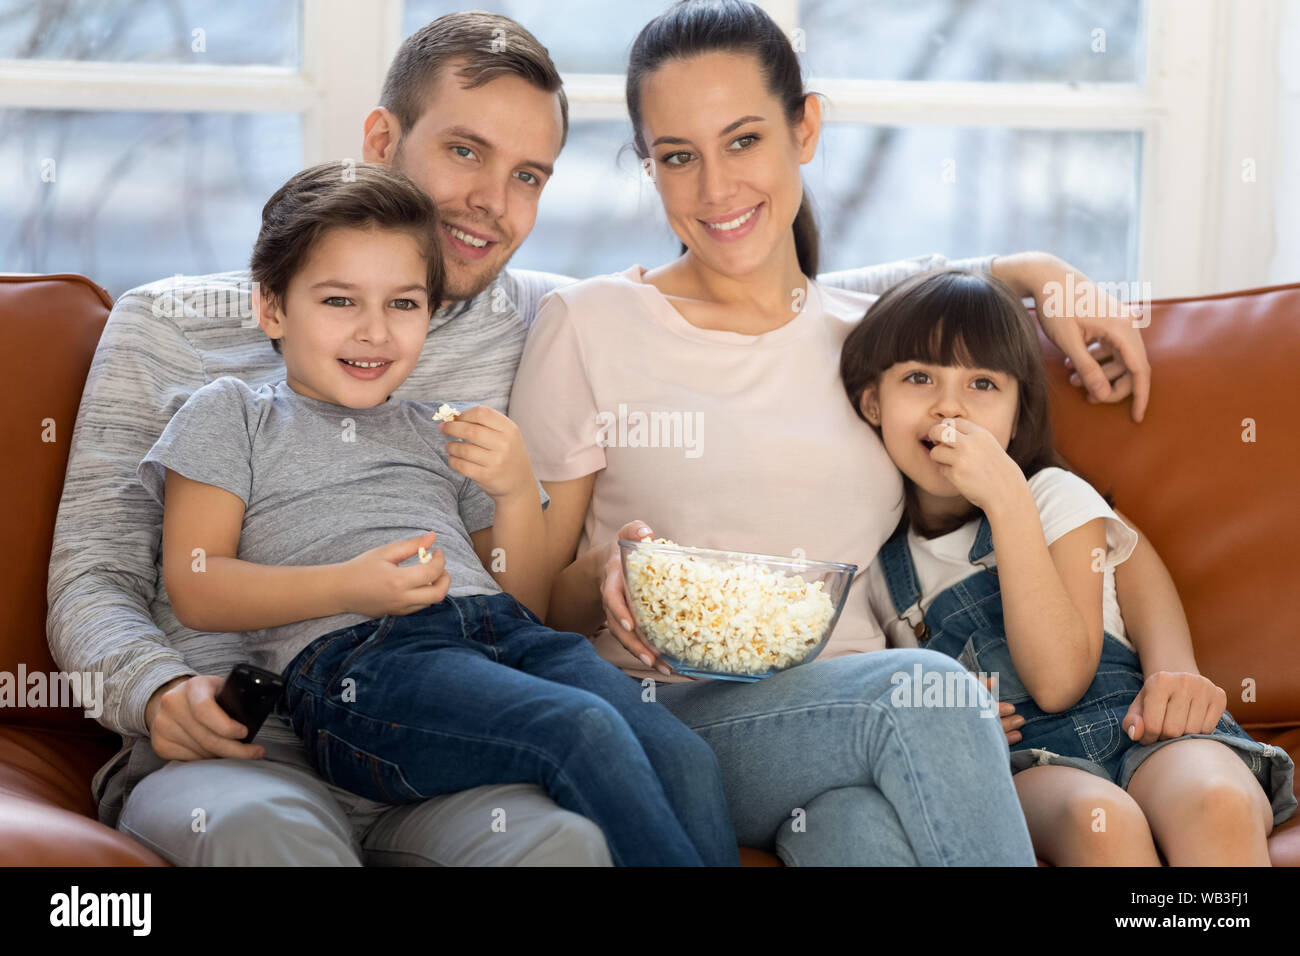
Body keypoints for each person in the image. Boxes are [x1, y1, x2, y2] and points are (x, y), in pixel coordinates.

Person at [47, 9, 1152, 867]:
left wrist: (1024, 272)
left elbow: (791, 303)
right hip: (258, 735)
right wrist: (150, 690)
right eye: (465, 152)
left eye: (527, 175)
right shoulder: (171, 330)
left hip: (465, 735)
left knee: (709, 832)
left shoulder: (524, 316)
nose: (489, 202)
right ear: (383, 138)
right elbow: (92, 573)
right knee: (269, 835)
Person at [508, 0, 1198, 866]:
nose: (716, 189)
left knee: (860, 832)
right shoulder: (589, 323)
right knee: (924, 697)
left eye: (744, 140)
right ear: (647, 166)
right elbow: (523, 602)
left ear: (806, 129)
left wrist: (1032, 270)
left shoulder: (874, 345)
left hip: (854, 734)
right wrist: (605, 578)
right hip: (671, 716)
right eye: (677, 157)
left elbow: (1009, 448)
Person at [134, 161, 739, 866]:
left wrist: (515, 491)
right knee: (578, 726)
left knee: (685, 754)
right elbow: (197, 585)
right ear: (272, 308)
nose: (374, 332)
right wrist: (347, 587)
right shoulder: (233, 412)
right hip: (361, 669)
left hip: (504, 640)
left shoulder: (440, 428)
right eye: (339, 302)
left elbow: (526, 602)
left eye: (403, 304)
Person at [840, 268, 1296, 864]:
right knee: (1099, 825)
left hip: (1140, 727)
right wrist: (945, 703)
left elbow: (1060, 679)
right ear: (872, 401)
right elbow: (877, 697)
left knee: (1216, 803)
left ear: (1015, 410)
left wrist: (1007, 502)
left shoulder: (1052, 496)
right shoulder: (875, 569)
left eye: (982, 383)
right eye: (919, 377)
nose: (949, 404)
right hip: (1029, 765)